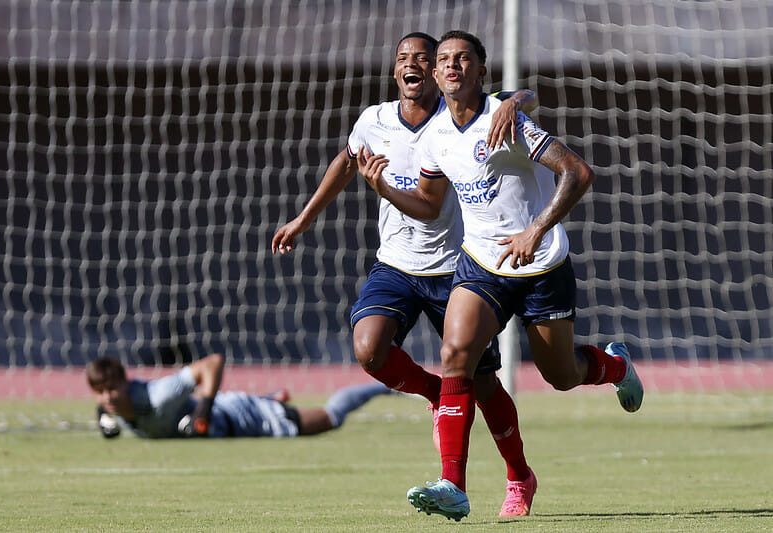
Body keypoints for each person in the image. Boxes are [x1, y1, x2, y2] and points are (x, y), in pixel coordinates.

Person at [361, 30, 644, 521]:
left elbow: (578, 172)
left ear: (481, 71)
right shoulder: (434, 137)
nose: (452, 67)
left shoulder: (507, 121)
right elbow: (429, 206)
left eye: (463, 59)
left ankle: (612, 366)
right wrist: (383, 188)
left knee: (560, 375)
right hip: (480, 266)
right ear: (434, 73)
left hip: (540, 267)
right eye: (444, 60)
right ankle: (453, 484)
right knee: (457, 355)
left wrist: (536, 228)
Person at [272, 32, 539, 518]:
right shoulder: (373, 120)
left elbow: (520, 98)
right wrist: (303, 219)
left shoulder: (457, 114)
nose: (411, 65)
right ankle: (436, 393)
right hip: (395, 264)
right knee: (369, 349)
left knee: (483, 388)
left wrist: (513, 100)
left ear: (436, 73)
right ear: (395, 71)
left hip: (456, 269)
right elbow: (345, 162)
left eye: (422, 58)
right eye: (403, 59)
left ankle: (519, 476)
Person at [86, 353, 391, 439]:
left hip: (240, 417)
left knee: (329, 419)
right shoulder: (113, 409)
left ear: (126, 383)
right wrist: (102, 418)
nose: (108, 397)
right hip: (229, 417)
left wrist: (201, 413)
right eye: (100, 393)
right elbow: (106, 405)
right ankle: (269, 398)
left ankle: (388, 385)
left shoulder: (160, 396)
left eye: (112, 388)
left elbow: (213, 362)